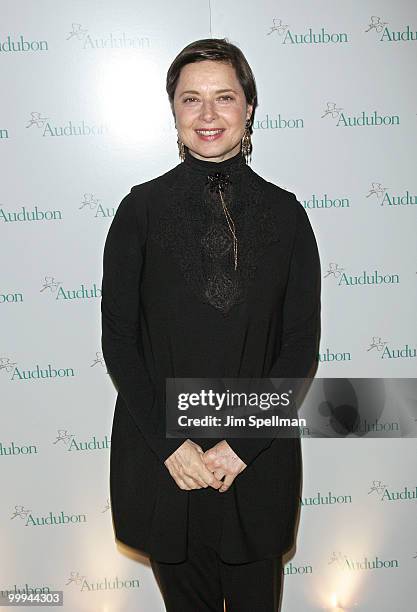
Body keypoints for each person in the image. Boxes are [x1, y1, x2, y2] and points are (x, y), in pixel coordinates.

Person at [101, 37, 321, 612]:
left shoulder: (288, 214)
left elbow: (299, 347)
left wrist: (239, 446)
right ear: (172, 110)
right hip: (165, 461)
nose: (207, 114)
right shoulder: (139, 210)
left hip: (256, 459)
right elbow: (120, 341)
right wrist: (176, 446)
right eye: (190, 99)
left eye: (224, 97)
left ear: (249, 106)